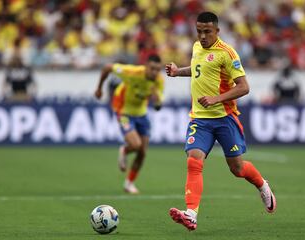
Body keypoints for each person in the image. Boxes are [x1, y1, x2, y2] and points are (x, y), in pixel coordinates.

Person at [165, 12, 277, 231]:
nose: (203, 36)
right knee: (193, 161)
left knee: (237, 169)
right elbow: (199, 71)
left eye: (207, 31)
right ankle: (191, 214)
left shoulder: (227, 53)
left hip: (225, 118)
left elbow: (244, 87)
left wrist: (216, 99)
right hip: (200, 119)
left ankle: (262, 185)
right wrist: (179, 72)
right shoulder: (197, 47)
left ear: (217, 31)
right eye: (199, 31)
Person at [94, 54, 164, 194]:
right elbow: (107, 67)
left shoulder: (159, 81)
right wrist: (99, 88)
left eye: (158, 70)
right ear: (145, 67)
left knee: (142, 152)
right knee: (136, 145)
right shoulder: (132, 72)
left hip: (141, 113)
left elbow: (157, 107)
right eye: (152, 69)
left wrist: (157, 100)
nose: (155, 72)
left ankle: (129, 183)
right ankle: (124, 150)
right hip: (123, 110)